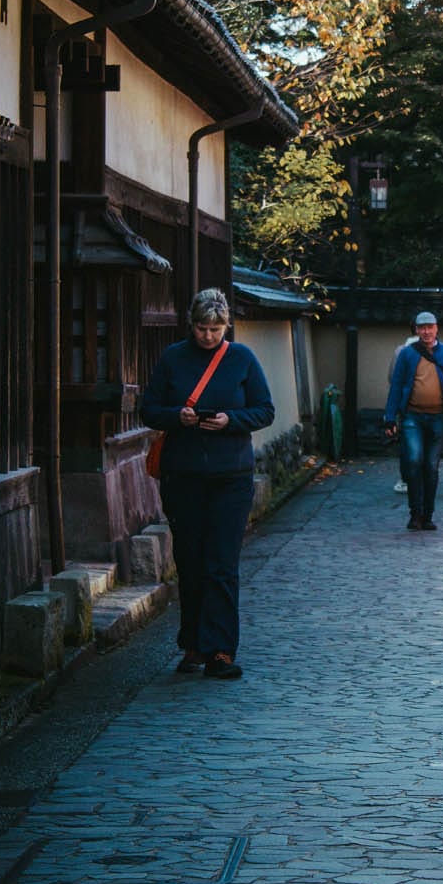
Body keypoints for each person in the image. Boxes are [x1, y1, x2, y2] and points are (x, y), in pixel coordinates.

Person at [141, 288, 274, 680]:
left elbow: (265, 410)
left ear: (227, 325)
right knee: (191, 560)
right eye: (202, 328)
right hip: (183, 474)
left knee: (222, 563)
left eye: (216, 329)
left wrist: (230, 421)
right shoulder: (173, 358)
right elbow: (149, 409)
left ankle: (220, 650)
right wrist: (176, 416)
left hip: (231, 474)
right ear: (191, 324)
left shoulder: (242, 359)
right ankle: (193, 644)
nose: (209, 336)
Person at [384, 311, 443, 530]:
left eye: (430, 327)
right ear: (416, 330)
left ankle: (428, 514)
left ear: (437, 328)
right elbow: (396, 385)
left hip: (438, 416)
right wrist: (389, 417)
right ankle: (415, 512)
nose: (426, 332)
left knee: (431, 466)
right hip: (412, 415)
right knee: (413, 461)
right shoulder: (407, 354)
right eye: (422, 328)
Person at [388, 318, 419, 493]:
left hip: (405, 404)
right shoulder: (437, 350)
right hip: (431, 405)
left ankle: (406, 479)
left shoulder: (400, 351)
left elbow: (392, 378)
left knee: (407, 443)